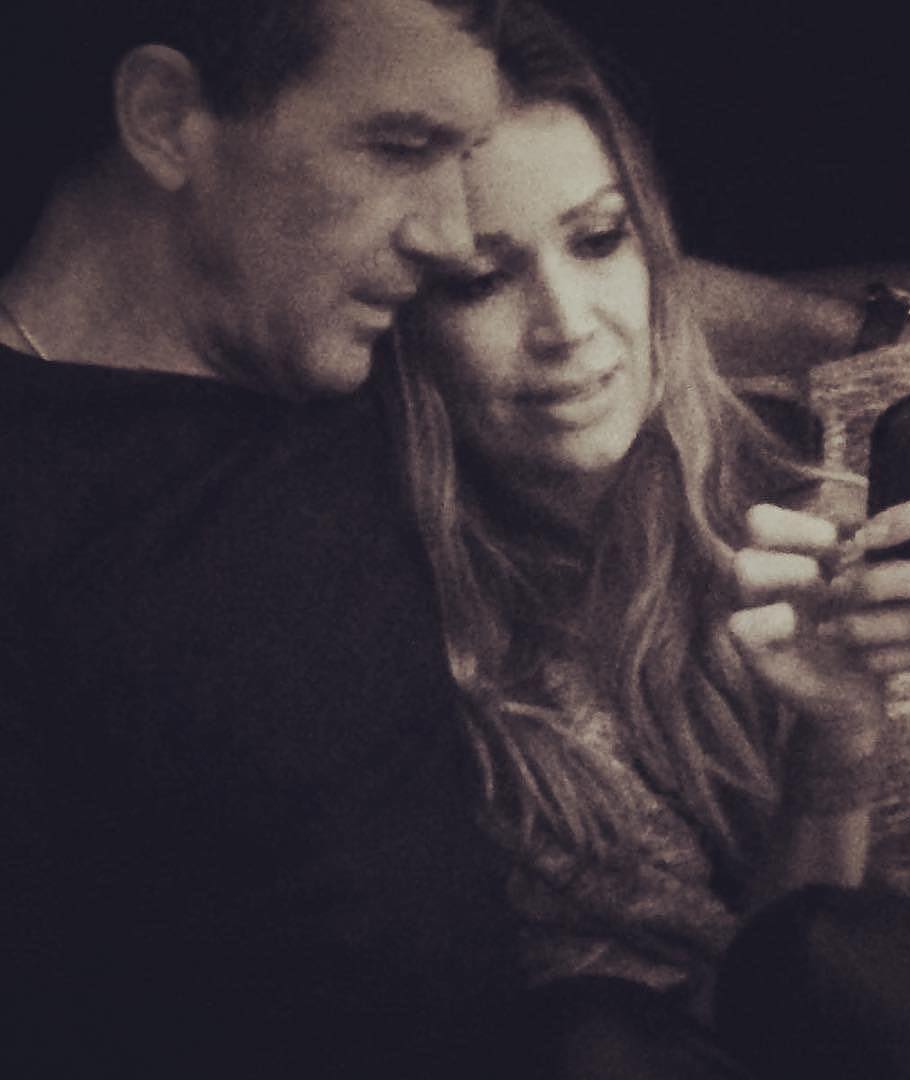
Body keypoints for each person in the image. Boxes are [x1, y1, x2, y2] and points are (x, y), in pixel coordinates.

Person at [387, 2, 910, 1075]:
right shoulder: (483, 696)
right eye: (480, 281)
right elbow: (754, 1030)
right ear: (399, 322)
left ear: (657, 252)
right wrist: (832, 755)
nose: (568, 324)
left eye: (599, 239)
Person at [0, 1, 534, 1077]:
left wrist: (872, 329)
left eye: (465, 158)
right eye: (400, 148)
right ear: (164, 119)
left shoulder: (347, 341)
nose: (451, 235)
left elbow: (642, 294)